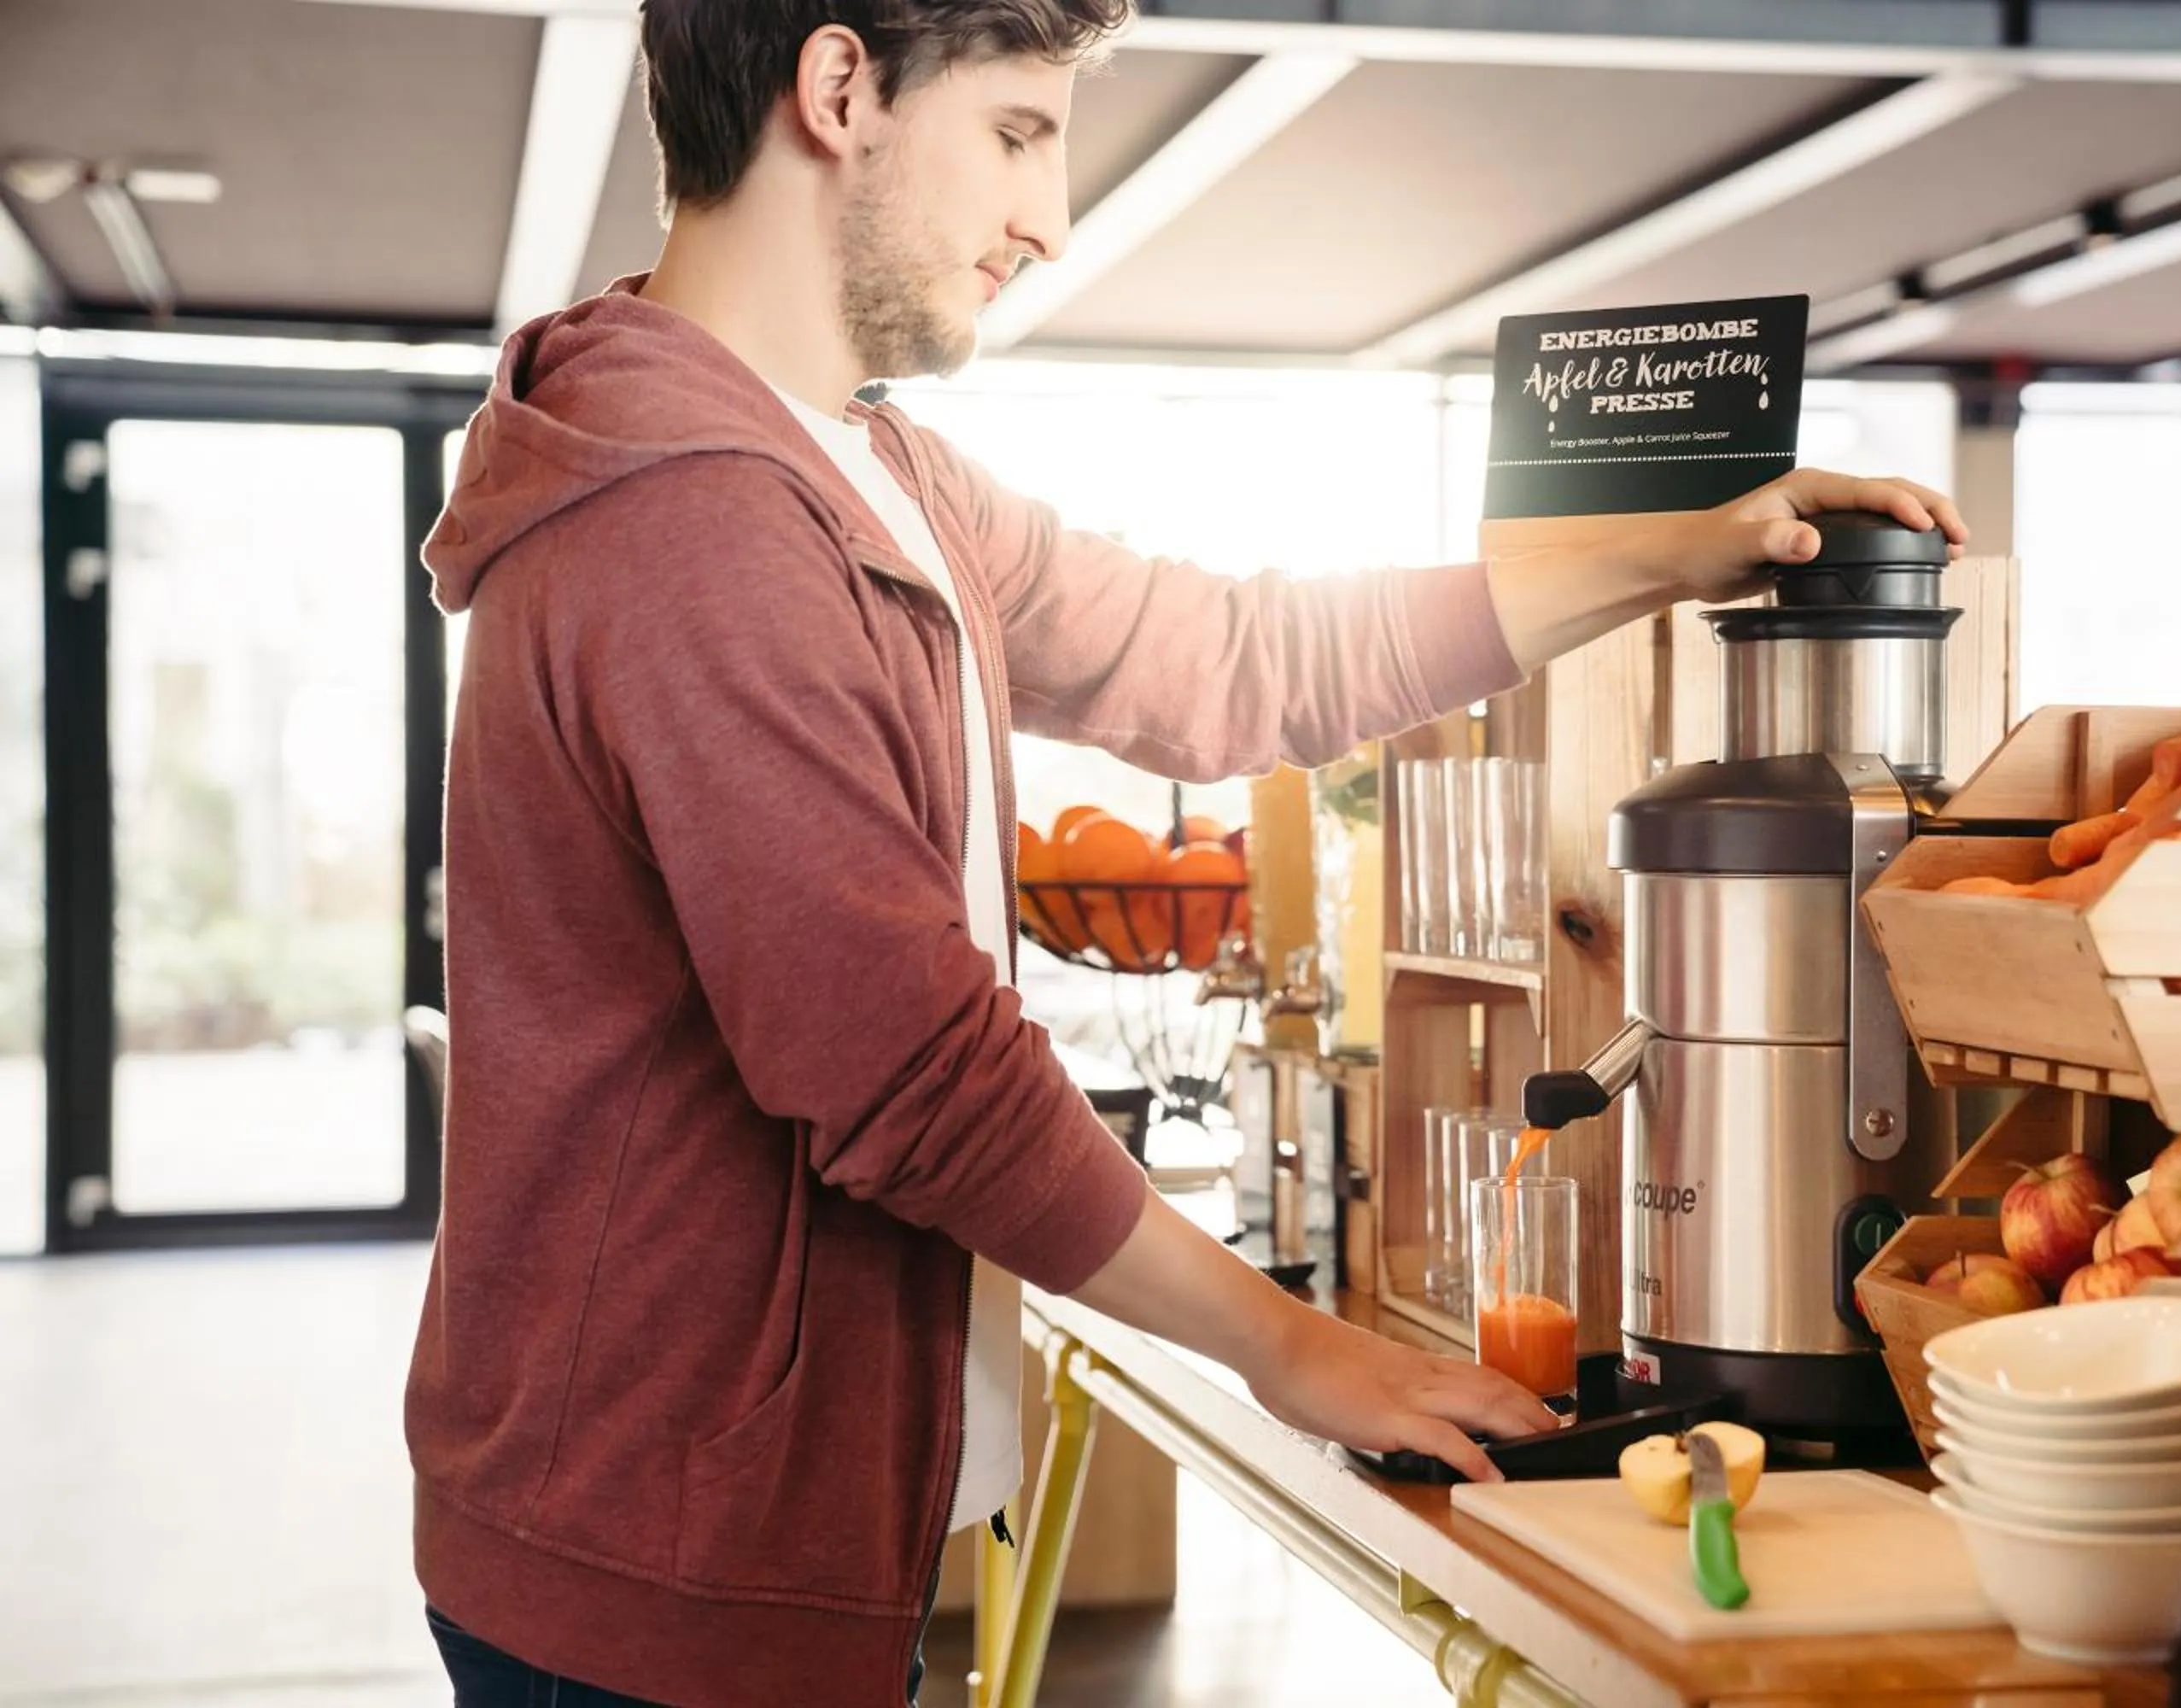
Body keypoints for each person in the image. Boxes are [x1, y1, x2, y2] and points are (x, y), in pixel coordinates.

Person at [406, 2, 1967, 1704]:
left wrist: (1665, 552)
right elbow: (913, 1073)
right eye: (1017, 129)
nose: (1048, 216)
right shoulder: (695, 520)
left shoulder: (866, 467)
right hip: (651, 1568)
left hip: (724, 1536)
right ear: (839, 88)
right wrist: (1295, 1349)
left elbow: (1233, 660)